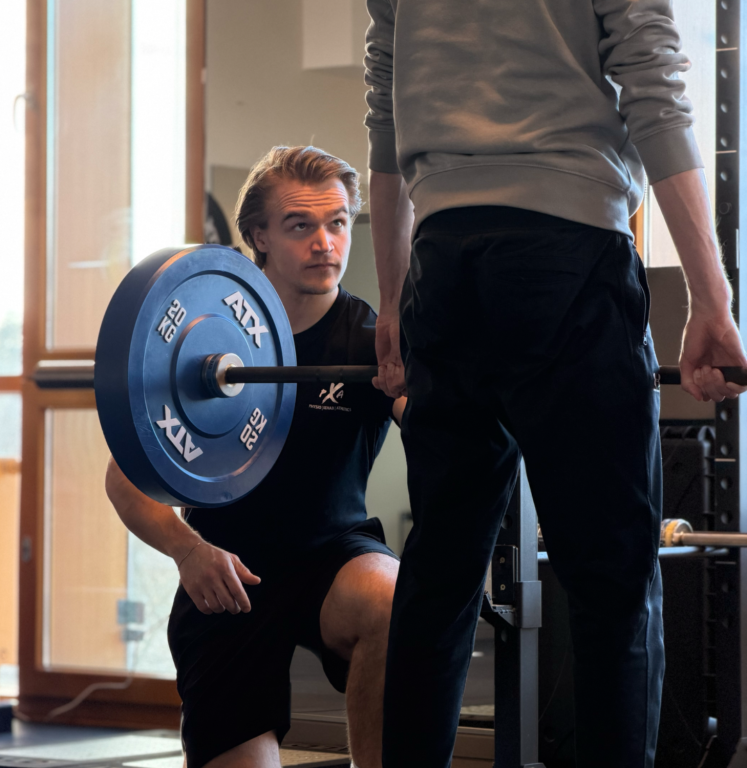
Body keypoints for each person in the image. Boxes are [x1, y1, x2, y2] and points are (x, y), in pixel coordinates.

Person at [363, 2, 747, 767]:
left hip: (443, 267)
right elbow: (654, 87)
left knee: (439, 576)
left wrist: (395, 293)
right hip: (566, 253)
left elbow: (387, 98)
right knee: (610, 585)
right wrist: (713, 298)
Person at [106, 145, 406, 768]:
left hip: (334, 557)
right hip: (226, 574)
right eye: (302, 226)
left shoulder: (370, 338)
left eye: (339, 223)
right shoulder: (201, 330)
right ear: (257, 237)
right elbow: (124, 480)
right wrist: (190, 551)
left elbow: (437, 429)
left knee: (393, 599)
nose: (326, 242)